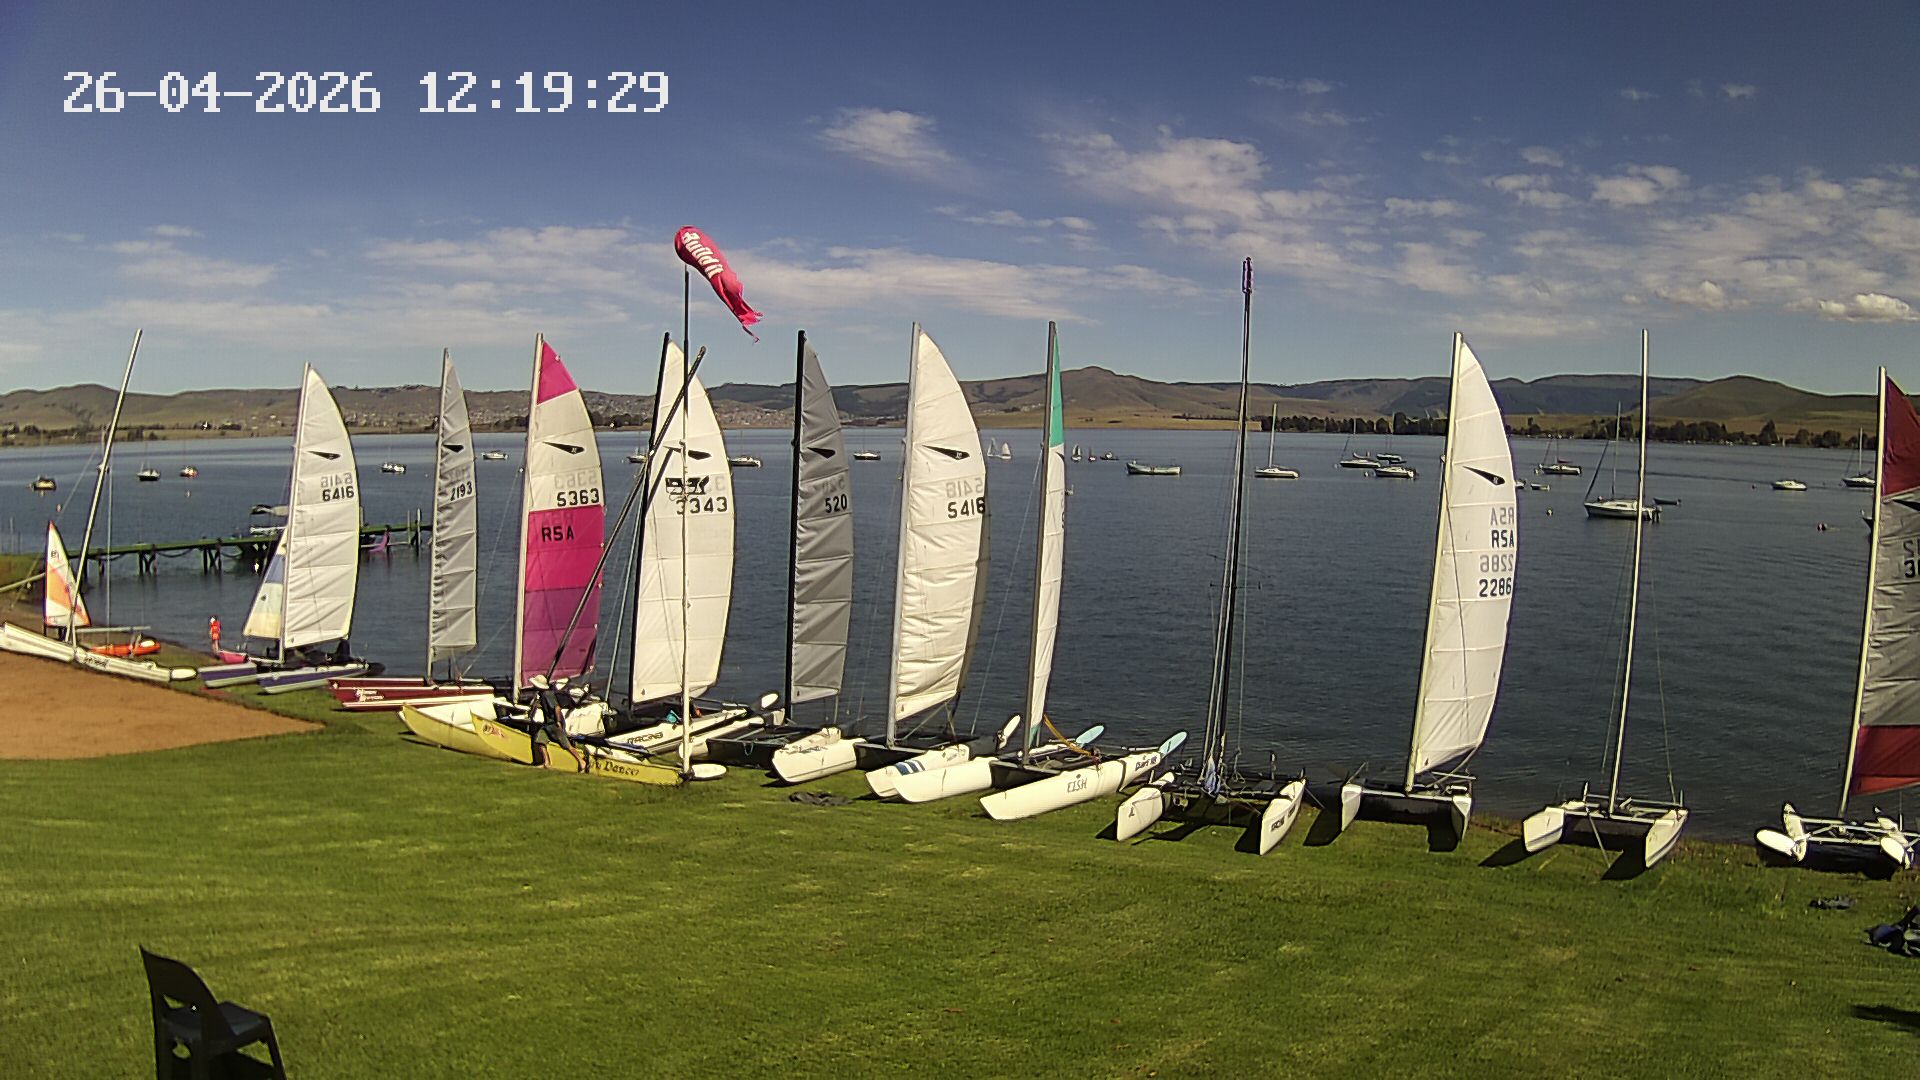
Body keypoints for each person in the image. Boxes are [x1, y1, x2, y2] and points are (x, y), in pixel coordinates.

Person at [528, 673, 584, 772]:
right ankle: (546, 762)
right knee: (540, 741)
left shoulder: (547, 695)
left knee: (566, 745)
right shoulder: (542, 695)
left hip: (553, 724)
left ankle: (581, 761)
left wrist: (558, 721)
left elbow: (557, 708)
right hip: (547, 725)